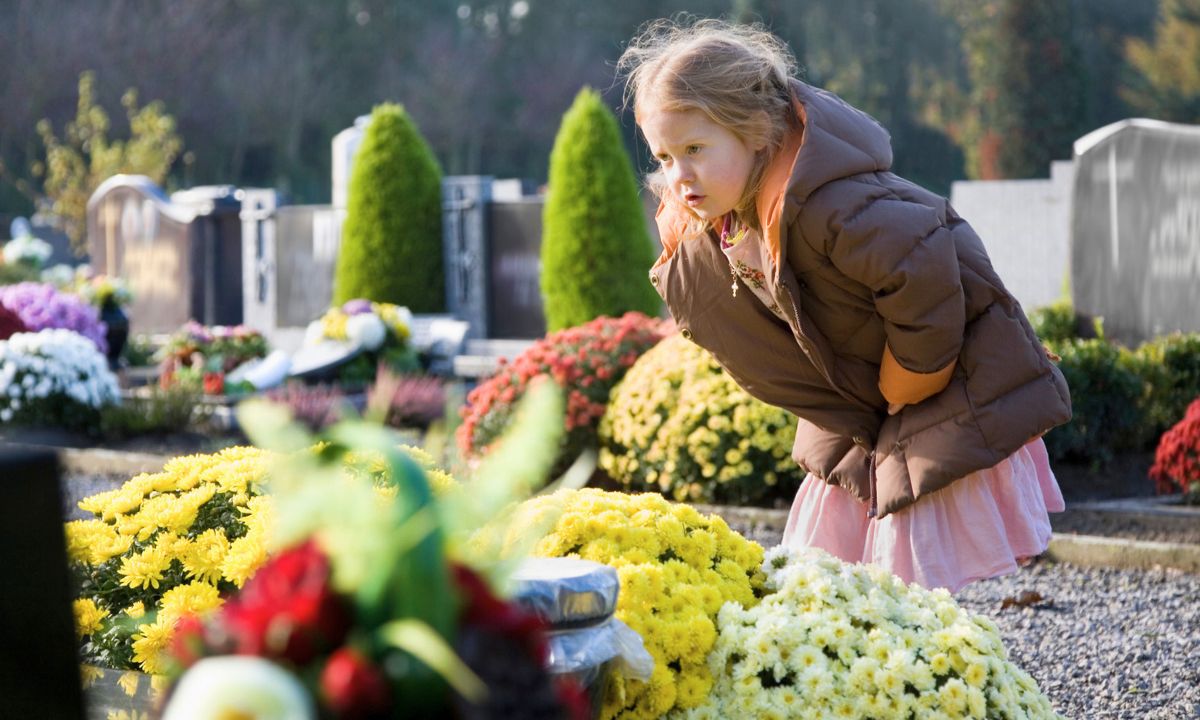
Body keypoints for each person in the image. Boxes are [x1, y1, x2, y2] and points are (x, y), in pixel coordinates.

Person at [617, 18, 1072, 592]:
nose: (679, 176)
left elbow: (922, 260)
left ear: (756, 132)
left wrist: (911, 376)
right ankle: (877, 660)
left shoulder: (834, 202)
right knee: (830, 556)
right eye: (664, 158)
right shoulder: (733, 221)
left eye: (695, 149)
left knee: (910, 572)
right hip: (864, 406)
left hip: (941, 387)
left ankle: (935, 668)